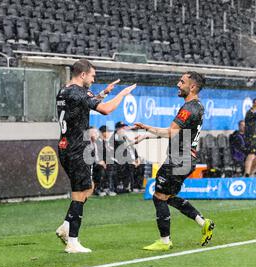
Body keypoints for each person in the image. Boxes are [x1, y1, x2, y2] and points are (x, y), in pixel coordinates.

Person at [55, 59, 136, 253]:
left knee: (86, 187)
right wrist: (122, 94)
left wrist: (103, 94)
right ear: (82, 74)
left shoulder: (65, 90)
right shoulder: (80, 92)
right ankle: (72, 241)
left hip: (65, 145)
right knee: (80, 193)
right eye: (92, 76)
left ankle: (67, 225)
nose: (93, 79)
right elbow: (106, 110)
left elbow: (80, 105)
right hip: (77, 148)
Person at [133, 72, 214, 251]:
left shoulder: (188, 109)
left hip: (178, 159)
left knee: (159, 197)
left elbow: (171, 132)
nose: (178, 84)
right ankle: (203, 222)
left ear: (192, 87)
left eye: (182, 82)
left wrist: (147, 128)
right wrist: (147, 135)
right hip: (188, 158)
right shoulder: (199, 106)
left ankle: (164, 241)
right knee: (169, 197)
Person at [98, 125, 117, 196]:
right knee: (108, 168)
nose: (108, 133)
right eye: (107, 132)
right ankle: (101, 188)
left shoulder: (107, 142)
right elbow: (99, 153)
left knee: (113, 166)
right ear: (102, 133)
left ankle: (110, 187)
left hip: (107, 161)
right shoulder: (99, 141)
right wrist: (102, 161)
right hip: (100, 162)